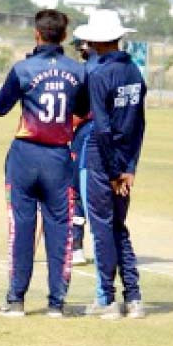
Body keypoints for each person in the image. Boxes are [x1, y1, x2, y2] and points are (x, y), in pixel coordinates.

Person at [0, 9, 88, 318]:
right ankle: (56, 304)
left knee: (21, 227)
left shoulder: (23, 69)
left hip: (25, 155)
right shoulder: (79, 71)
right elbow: (83, 109)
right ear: (63, 36)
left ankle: (16, 300)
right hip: (59, 156)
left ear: (37, 34)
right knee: (60, 228)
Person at [73, 10, 146, 320]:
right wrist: (130, 166)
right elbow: (138, 124)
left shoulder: (99, 74)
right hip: (123, 160)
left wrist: (116, 170)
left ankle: (106, 299)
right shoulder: (133, 70)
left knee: (102, 229)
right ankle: (134, 298)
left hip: (101, 159)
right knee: (118, 228)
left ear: (93, 40)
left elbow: (102, 128)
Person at [70, 38, 100, 265]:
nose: (79, 50)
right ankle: (108, 247)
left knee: (77, 190)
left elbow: (79, 111)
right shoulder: (122, 68)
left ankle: (76, 247)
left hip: (87, 133)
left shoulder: (86, 70)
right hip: (116, 137)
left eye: (80, 46)